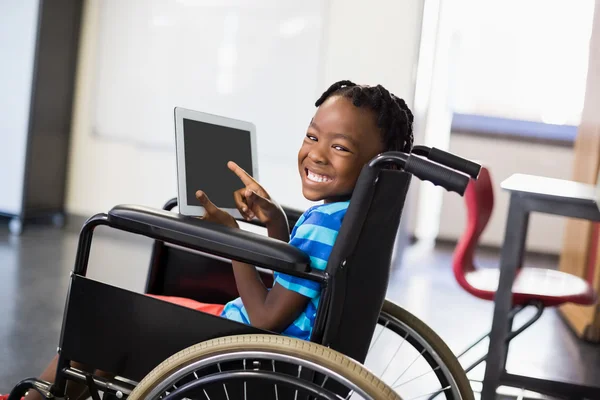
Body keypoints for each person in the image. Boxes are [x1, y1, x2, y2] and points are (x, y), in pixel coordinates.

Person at [1, 80, 413, 400]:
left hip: (254, 351)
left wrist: (233, 238)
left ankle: (37, 395)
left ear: (375, 164)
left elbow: (268, 318)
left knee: (107, 320)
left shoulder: (327, 222)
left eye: (339, 147)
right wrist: (274, 224)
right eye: (312, 136)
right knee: (144, 314)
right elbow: (303, 275)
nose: (317, 154)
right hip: (278, 349)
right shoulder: (345, 216)